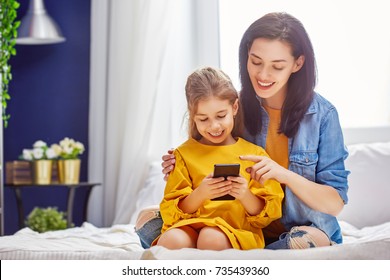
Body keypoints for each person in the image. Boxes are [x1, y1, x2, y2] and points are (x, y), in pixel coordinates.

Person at [137, 12, 350, 250]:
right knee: (147, 218)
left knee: (303, 242)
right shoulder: (231, 107)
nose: (263, 75)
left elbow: (335, 205)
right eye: (256, 62)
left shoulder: (322, 115)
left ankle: (247, 253)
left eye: (277, 66)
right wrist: (180, 168)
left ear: (297, 63)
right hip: (234, 225)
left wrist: (283, 174)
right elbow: (206, 150)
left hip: (297, 229)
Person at [151, 66, 284, 250]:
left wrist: (244, 194)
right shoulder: (183, 155)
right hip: (191, 225)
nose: (214, 126)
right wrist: (201, 194)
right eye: (203, 119)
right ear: (193, 117)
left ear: (234, 107)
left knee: (211, 237)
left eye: (221, 116)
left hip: (235, 231)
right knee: (171, 240)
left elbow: (270, 212)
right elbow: (171, 212)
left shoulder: (254, 155)